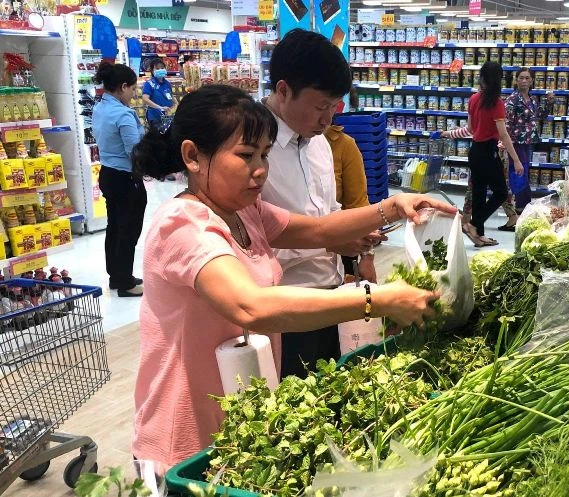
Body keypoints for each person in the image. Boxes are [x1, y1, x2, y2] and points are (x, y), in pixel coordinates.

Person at [131, 84, 454, 468]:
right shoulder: (183, 225)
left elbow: (317, 230)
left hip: (237, 427)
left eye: (265, 154)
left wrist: (393, 207)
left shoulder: (244, 211)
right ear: (192, 156)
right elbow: (250, 306)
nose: (260, 170)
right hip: (184, 438)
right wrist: (375, 300)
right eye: (246, 155)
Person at [260, 29, 384, 378]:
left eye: (334, 107)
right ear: (283, 90)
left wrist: (357, 242)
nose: (328, 119)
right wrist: (327, 240)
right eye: (320, 107)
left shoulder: (320, 143)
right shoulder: (251, 149)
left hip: (330, 296)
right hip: (283, 308)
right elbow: (248, 241)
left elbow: (329, 211)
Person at [91, 62, 145, 297]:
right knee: (128, 230)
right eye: (132, 89)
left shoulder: (100, 108)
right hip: (126, 177)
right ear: (123, 87)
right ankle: (125, 283)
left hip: (107, 174)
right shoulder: (123, 115)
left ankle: (117, 275)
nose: (134, 94)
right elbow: (135, 151)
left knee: (114, 226)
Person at [460, 61, 523, 247]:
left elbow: (470, 128)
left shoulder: (473, 99)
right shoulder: (496, 103)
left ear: (482, 78)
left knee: (479, 194)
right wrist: (516, 160)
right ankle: (473, 225)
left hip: (475, 151)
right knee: (501, 192)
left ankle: (478, 236)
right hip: (488, 151)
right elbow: (503, 134)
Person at [326, 88, 377, 283]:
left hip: (339, 261)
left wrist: (367, 257)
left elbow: (358, 205)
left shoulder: (344, 145)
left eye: (331, 107)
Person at [504, 68, 539, 218]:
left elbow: (539, 115)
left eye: (527, 78)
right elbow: (506, 124)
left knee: (523, 172)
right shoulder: (512, 100)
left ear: (532, 81)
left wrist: (549, 102)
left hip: (528, 141)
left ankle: (524, 206)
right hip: (516, 142)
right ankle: (521, 208)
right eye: (521, 78)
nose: (524, 81)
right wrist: (504, 143)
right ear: (516, 80)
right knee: (519, 173)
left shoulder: (532, 99)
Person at [141, 59, 177, 131]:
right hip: (155, 118)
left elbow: (171, 95)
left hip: (168, 117)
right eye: (157, 68)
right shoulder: (149, 83)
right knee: (158, 136)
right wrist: (160, 108)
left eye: (162, 68)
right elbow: (145, 99)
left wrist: (176, 104)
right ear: (152, 70)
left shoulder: (167, 83)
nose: (160, 70)